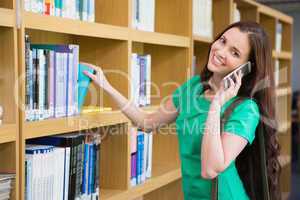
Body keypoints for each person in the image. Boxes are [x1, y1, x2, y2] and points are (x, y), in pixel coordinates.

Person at [83, 21, 281, 200]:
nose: (220, 51)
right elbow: (147, 122)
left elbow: (210, 169)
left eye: (234, 52)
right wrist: (107, 87)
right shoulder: (193, 87)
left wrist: (216, 105)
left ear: (246, 68)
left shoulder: (246, 109)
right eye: (222, 41)